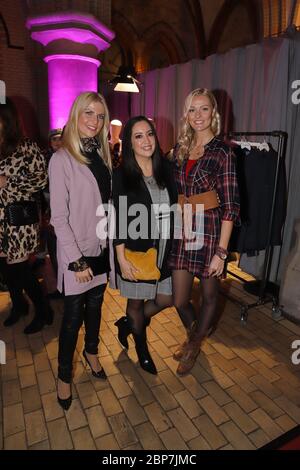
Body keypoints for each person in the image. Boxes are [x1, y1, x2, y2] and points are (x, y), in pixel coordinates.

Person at [168, 88, 240, 376]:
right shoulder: (181, 148)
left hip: (209, 230)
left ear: (214, 113)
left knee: (210, 296)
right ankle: (194, 333)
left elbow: (231, 206)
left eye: (204, 109)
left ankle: (194, 344)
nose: (198, 115)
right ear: (186, 114)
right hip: (183, 227)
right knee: (179, 299)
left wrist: (221, 252)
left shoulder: (224, 152)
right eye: (192, 109)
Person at [49, 91, 113, 410]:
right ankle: (63, 376)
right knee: (72, 319)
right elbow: (58, 218)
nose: (94, 121)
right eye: (88, 113)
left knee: (96, 309)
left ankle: (91, 353)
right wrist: (75, 260)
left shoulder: (103, 156)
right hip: (77, 253)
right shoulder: (62, 159)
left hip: (100, 247)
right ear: (75, 115)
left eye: (100, 116)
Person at [113, 116, 177, 375]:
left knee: (166, 298)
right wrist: (121, 259)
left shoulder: (167, 170)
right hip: (136, 252)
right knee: (137, 305)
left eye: (149, 134)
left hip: (164, 250)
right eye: (138, 136)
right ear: (129, 142)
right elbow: (116, 217)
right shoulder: (121, 176)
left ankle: (128, 324)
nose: (146, 141)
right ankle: (142, 351)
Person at [0, 98, 53, 333]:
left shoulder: (26, 146)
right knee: (5, 267)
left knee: (18, 269)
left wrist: (7, 183)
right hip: (0, 222)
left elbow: (40, 179)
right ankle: (19, 305)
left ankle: (43, 310)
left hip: (18, 221)